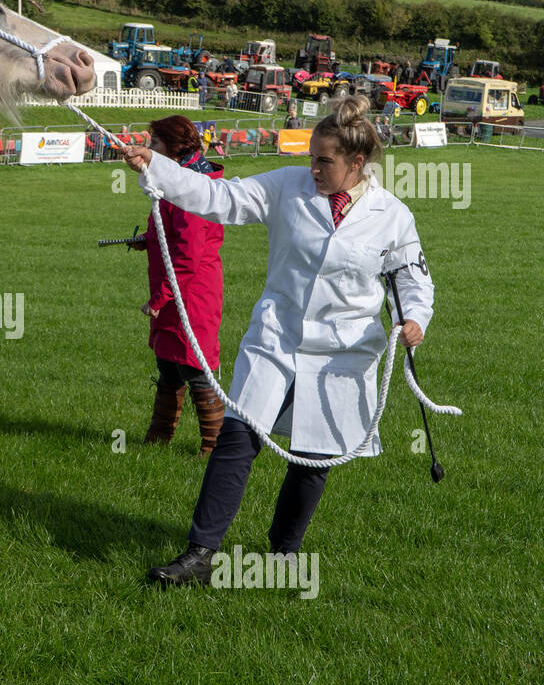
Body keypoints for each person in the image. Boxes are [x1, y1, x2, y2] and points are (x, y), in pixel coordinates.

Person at [122, 95, 433, 586]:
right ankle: (200, 555)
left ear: (357, 163)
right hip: (276, 337)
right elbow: (219, 199)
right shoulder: (287, 186)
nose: (312, 169)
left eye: (324, 161)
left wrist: (413, 318)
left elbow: (413, 280)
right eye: (311, 157)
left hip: (343, 355)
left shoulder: (392, 216)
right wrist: (157, 165)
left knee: (314, 457)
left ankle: (284, 553)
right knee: (237, 438)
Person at [130, 115, 226, 455]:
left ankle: (214, 445)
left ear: (173, 149)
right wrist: (149, 240)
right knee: (168, 364)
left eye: (155, 144)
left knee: (195, 367)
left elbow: (188, 257)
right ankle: (158, 438)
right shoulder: (177, 183)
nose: (151, 150)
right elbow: (171, 236)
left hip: (192, 294)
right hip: (174, 291)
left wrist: (159, 299)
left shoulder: (193, 192)